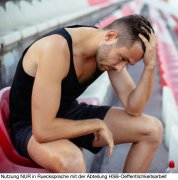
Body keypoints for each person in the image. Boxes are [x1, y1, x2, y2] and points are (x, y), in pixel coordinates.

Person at [9, 14, 163, 173]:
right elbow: (42, 130)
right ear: (110, 36)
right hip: (31, 125)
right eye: (122, 58)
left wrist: (150, 67)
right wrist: (94, 124)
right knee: (72, 161)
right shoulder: (55, 48)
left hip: (67, 113)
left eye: (127, 63)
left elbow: (134, 108)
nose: (120, 68)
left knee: (153, 129)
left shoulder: (107, 50)